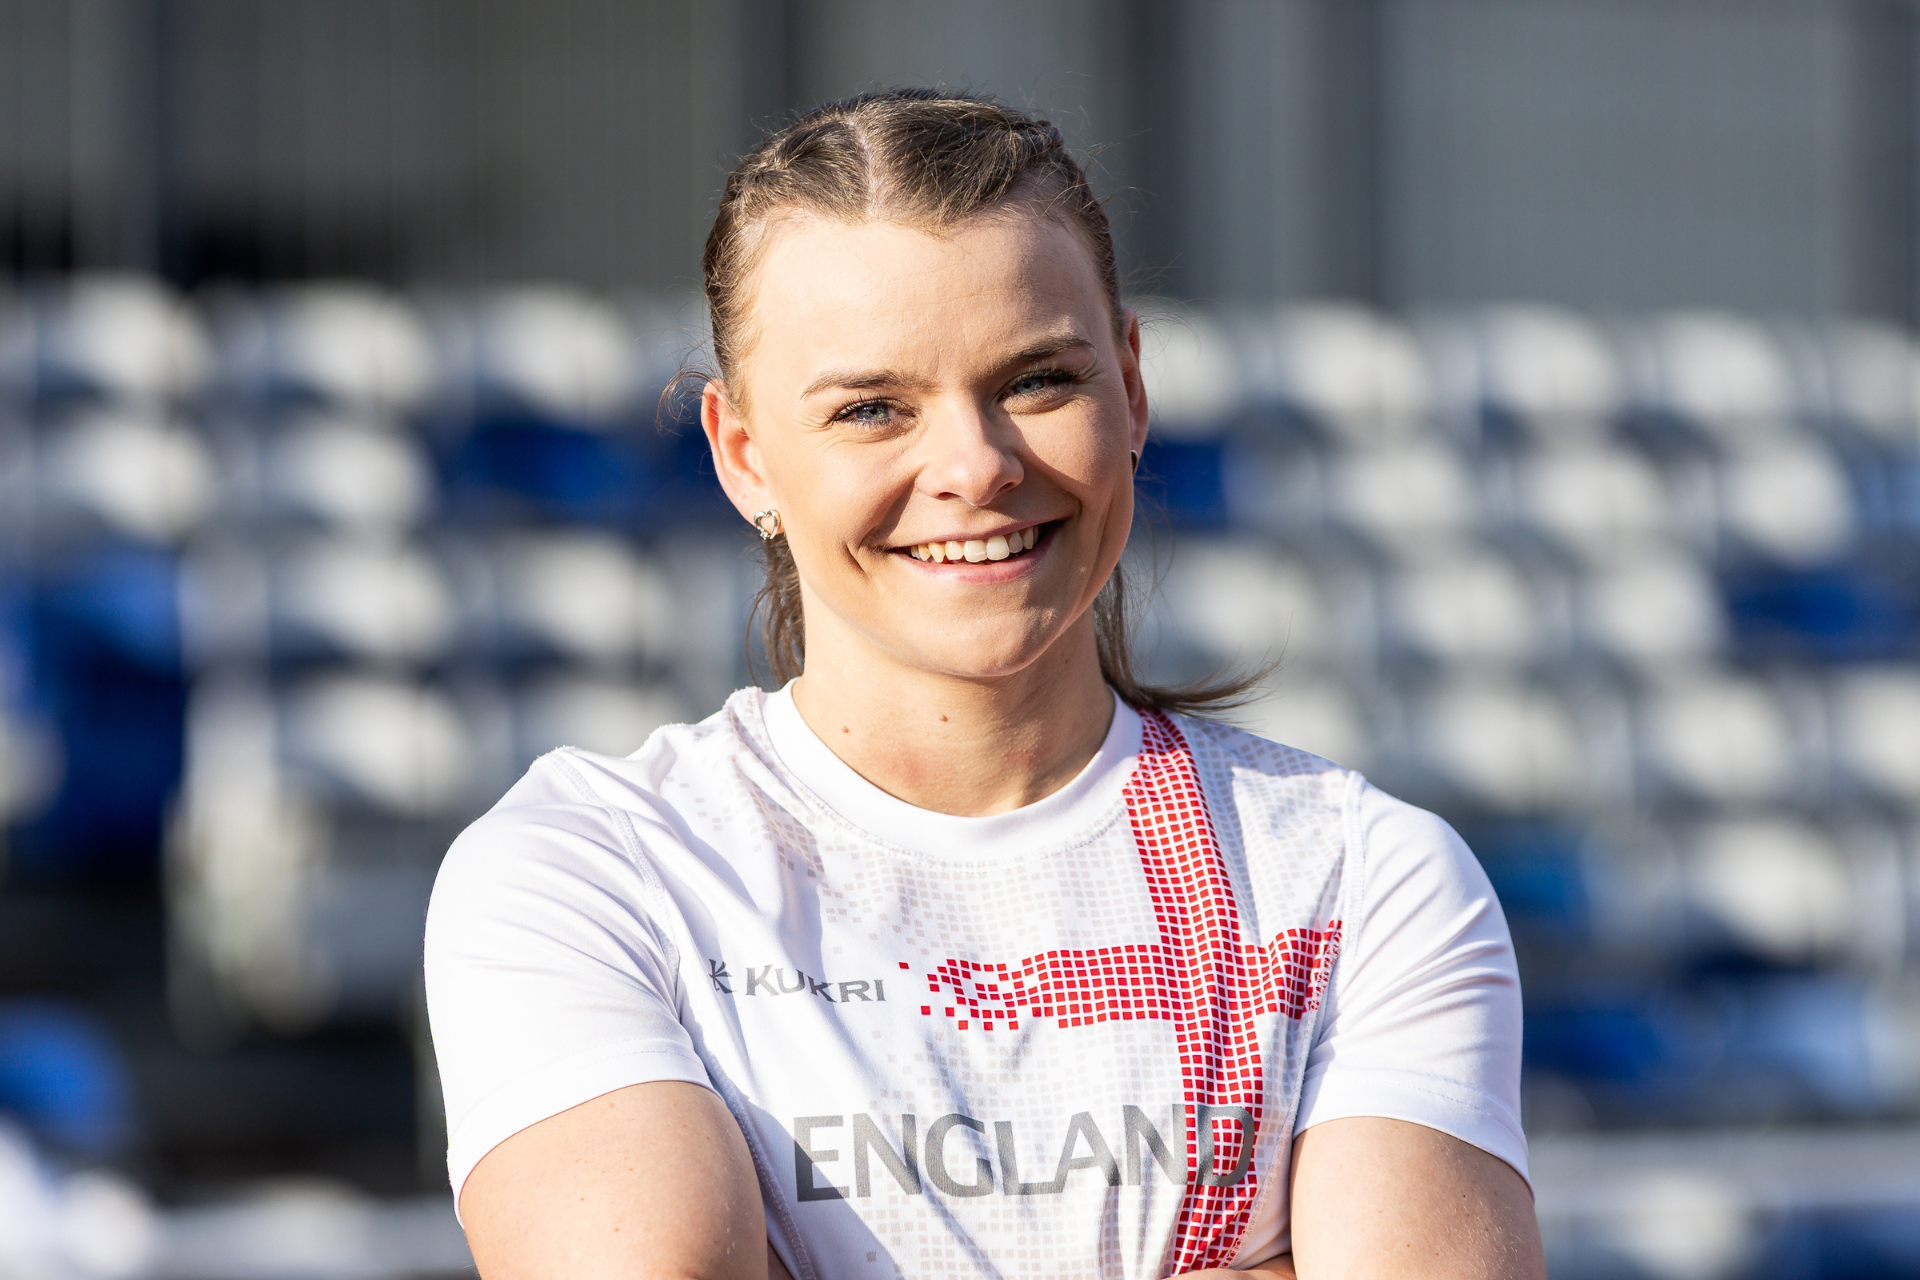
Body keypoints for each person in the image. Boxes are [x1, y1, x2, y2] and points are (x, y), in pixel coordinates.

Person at [425, 90, 1542, 1280]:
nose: (973, 465)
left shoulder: (1359, 877)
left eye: (1038, 380)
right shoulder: (595, 871)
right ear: (742, 453)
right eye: (871, 408)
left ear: (1133, 388)